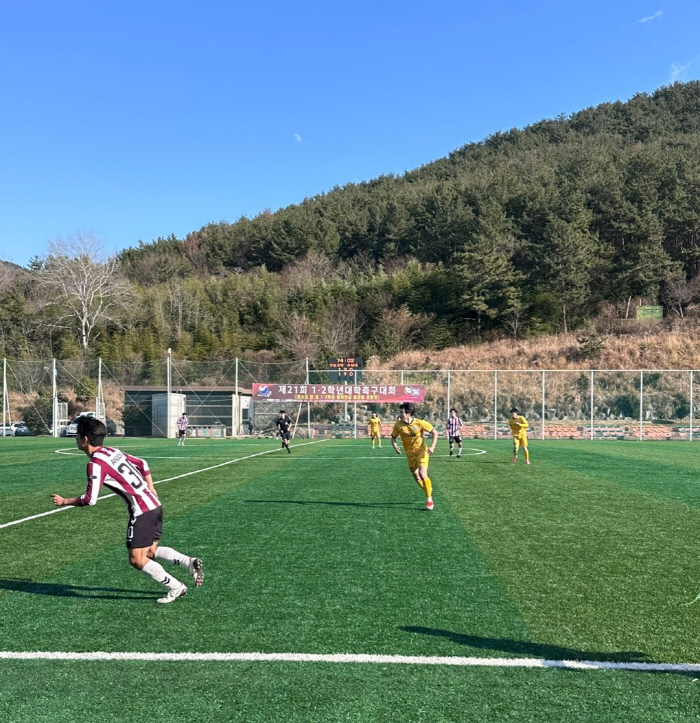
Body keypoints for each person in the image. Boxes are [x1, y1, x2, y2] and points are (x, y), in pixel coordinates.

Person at [51, 416, 203, 604]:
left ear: (85, 439)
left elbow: (90, 500)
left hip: (141, 512)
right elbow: (143, 464)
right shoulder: (111, 451)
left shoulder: (95, 464)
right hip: (155, 505)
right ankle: (188, 562)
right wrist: (151, 487)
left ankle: (176, 586)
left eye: (77, 435)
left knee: (136, 560)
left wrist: (65, 501)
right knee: (149, 551)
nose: (75, 439)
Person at [391, 402, 439, 510]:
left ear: (408, 413)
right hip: (409, 454)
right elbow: (393, 438)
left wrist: (432, 447)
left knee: (422, 474)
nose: (400, 414)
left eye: (402, 412)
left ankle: (429, 499)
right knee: (416, 477)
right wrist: (395, 447)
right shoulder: (398, 425)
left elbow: (435, 433)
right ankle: (428, 489)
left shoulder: (420, 423)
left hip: (421, 451)